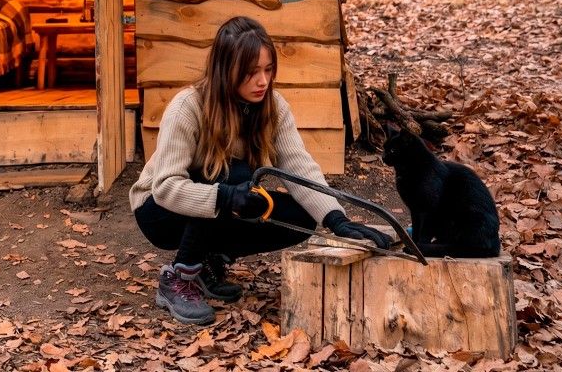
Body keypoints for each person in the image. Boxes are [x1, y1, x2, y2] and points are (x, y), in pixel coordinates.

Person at [130, 16, 391, 325]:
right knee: (235, 176)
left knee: (301, 216)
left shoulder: (273, 106)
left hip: (212, 200)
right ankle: (180, 277)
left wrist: (336, 220)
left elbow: (299, 167)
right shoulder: (188, 106)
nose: (263, 81)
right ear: (226, 69)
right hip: (158, 211)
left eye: (268, 70)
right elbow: (165, 187)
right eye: (251, 72)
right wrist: (226, 196)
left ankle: (209, 260)